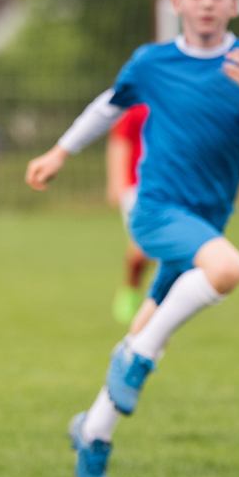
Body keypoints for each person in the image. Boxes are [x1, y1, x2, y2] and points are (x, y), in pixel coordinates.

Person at [25, 0, 239, 477]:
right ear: (177, 2)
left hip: (208, 221)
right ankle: (137, 359)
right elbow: (108, 105)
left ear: (233, 3)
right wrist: (59, 152)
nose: (208, 2)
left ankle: (93, 433)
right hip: (156, 211)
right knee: (228, 270)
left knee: (148, 322)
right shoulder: (151, 62)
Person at [106, 104, 151, 325]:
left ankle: (159, 303)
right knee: (142, 250)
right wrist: (116, 181)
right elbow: (120, 141)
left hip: (171, 187)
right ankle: (131, 288)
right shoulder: (138, 107)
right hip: (137, 189)